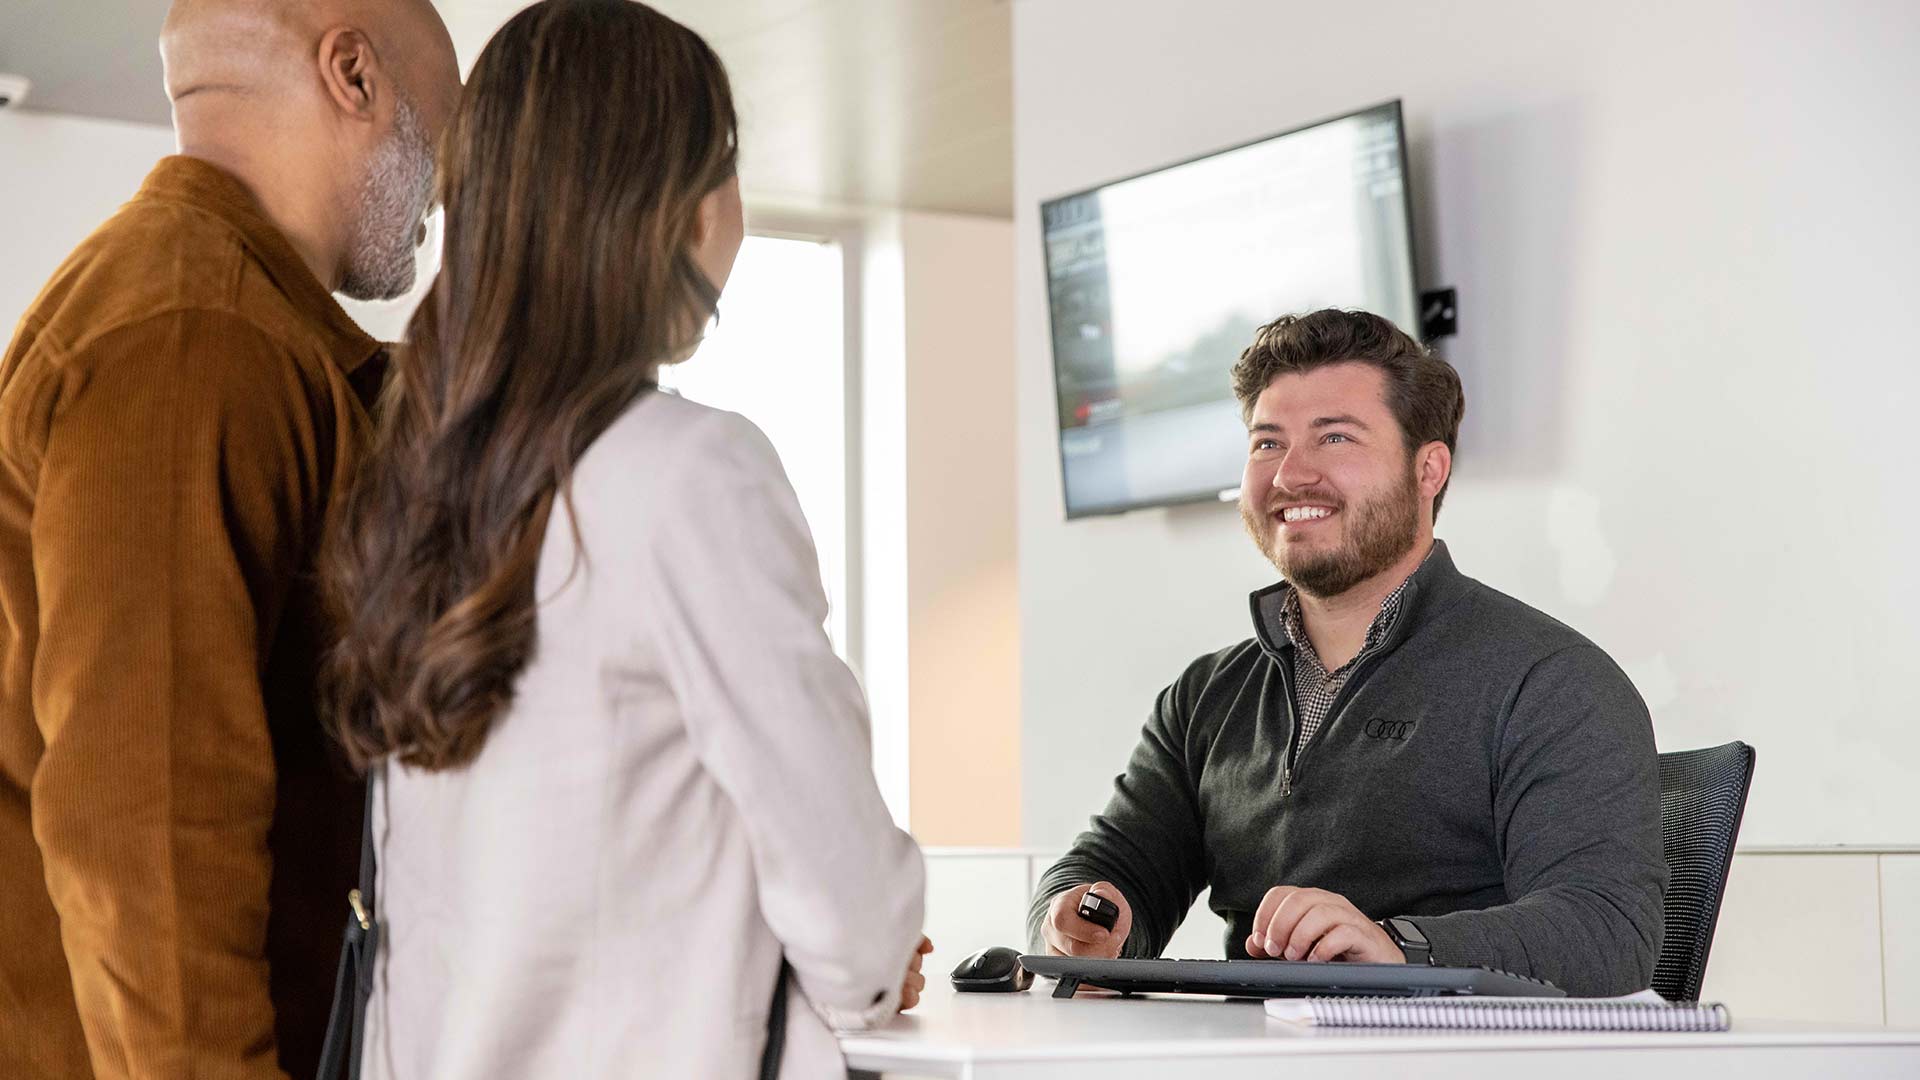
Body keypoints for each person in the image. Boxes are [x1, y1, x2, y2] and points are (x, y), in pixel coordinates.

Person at [320, 3, 927, 1077]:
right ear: (677, 207)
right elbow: (852, 908)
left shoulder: (416, 483)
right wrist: (867, 966)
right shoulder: (691, 475)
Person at [0, 2, 460, 1077]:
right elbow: (147, 842)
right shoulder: (193, 337)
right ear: (352, 74)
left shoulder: (239, 327)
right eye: (441, 133)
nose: (441, 191)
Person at [1029, 309, 1666, 997]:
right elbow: (1109, 869)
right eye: (1267, 444)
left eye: (1333, 437)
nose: (1291, 474)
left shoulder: (1550, 683)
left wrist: (1396, 949)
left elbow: (1608, 930)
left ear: (1428, 470)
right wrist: (1075, 919)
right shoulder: (1207, 697)